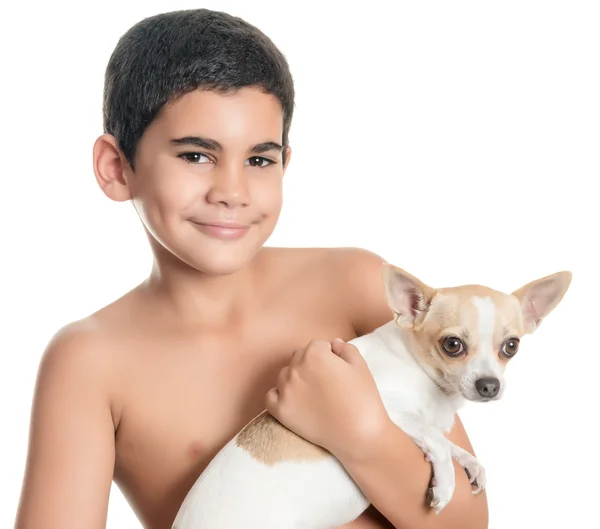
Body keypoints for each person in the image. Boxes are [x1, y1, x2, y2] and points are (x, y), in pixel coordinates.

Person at [14, 8, 488, 529]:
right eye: (196, 155)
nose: (232, 193)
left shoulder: (353, 285)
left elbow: (468, 521)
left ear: (285, 162)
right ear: (116, 167)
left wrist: (361, 432)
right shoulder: (90, 362)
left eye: (259, 160)